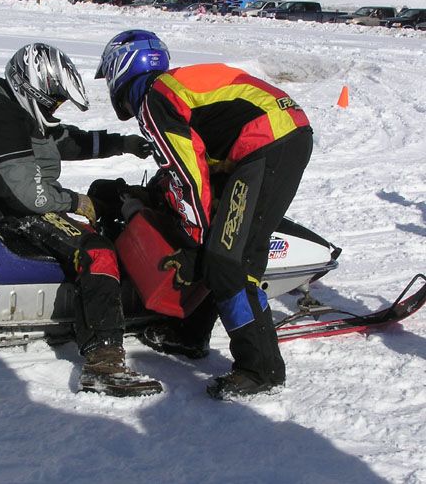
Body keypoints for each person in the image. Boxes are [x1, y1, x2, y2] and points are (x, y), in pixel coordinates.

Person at [95, 30, 313, 399]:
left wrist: (194, 238)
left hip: (266, 145)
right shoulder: (168, 89)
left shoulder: (155, 100)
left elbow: (188, 176)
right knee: (221, 247)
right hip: (274, 139)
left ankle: (260, 370)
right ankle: (190, 334)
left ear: (123, 67)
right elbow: (192, 163)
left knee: (226, 259)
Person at [0, 43, 162, 397]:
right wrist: (75, 202)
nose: (56, 109)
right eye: (54, 101)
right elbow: (29, 195)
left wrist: (123, 144)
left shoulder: (9, 102)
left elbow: (63, 141)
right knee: (98, 252)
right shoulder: (2, 116)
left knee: (105, 194)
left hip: (10, 201)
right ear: (32, 89)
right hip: (9, 212)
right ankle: (103, 361)